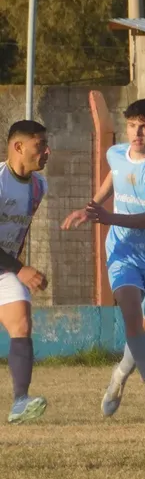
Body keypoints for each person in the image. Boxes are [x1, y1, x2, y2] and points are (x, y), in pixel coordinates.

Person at [62, 98, 145, 417]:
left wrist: (108, 218)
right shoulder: (115, 153)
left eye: (144, 126)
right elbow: (113, 177)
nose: (136, 132)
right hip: (122, 250)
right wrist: (90, 208)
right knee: (130, 316)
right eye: (131, 125)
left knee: (142, 330)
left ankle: (118, 378)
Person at [0, 121, 49, 424]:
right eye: (40, 144)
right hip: (10, 267)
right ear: (19, 147)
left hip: (4, 269)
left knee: (21, 322)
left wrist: (17, 269)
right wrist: (21, 268)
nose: (47, 151)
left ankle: (20, 401)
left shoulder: (38, 186)